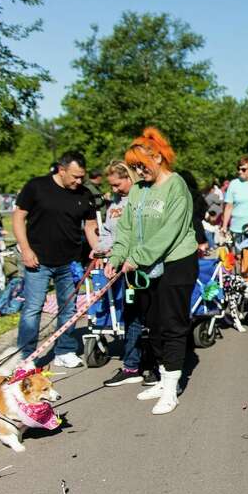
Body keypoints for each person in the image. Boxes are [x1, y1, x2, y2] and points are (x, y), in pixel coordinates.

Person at [105, 128, 199, 415]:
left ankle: (171, 388)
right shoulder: (137, 190)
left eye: (141, 166)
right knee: (154, 325)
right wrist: (117, 256)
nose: (137, 172)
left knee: (172, 324)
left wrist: (137, 257)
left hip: (176, 262)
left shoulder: (176, 186)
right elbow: (126, 228)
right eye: (133, 167)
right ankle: (162, 377)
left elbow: (171, 231)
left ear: (157, 158)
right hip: (145, 267)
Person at [13, 151, 99, 368]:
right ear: (62, 170)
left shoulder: (85, 194)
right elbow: (18, 218)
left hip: (70, 262)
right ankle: (27, 356)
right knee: (33, 308)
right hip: (38, 260)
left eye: (82, 177)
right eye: (75, 176)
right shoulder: (36, 187)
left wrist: (98, 250)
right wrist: (25, 249)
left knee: (68, 308)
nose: (78, 181)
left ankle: (65, 350)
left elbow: (90, 226)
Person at [97, 161, 151, 388]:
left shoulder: (144, 199)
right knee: (131, 316)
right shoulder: (114, 205)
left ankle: (155, 365)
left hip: (144, 267)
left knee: (151, 317)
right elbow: (109, 233)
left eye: (117, 184)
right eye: (111, 185)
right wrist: (102, 249)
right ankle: (131, 366)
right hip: (124, 269)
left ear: (129, 178)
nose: (114, 189)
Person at [222, 156, 248, 274]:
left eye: (243, 169)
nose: (240, 172)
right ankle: (240, 280)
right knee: (238, 258)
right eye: (239, 169)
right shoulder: (234, 184)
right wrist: (224, 226)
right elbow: (229, 206)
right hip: (236, 228)